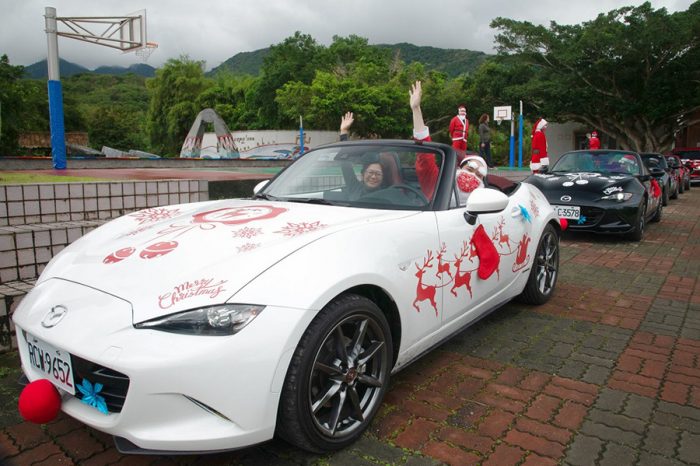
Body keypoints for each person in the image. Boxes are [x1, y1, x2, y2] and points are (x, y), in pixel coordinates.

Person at [409, 81, 486, 203]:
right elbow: (425, 156)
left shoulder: (486, 203)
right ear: (458, 169)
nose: (472, 176)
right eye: (470, 169)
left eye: (479, 175)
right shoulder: (437, 186)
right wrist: (416, 109)